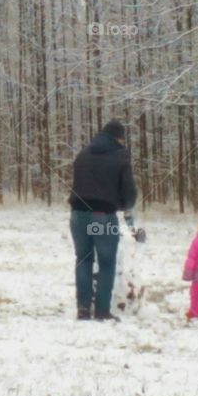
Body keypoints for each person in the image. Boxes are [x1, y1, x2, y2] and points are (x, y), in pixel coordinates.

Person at [68, 120, 137, 321]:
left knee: (83, 259)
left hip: (78, 214)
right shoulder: (120, 156)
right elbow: (129, 191)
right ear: (118, 138)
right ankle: (101, 311)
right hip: (102, 216)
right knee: (106, 262)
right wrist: (126, 205)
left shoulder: (83, 155)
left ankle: (82, 308)